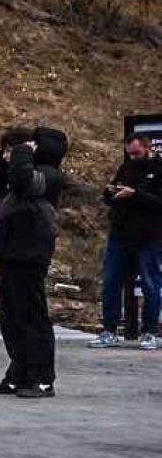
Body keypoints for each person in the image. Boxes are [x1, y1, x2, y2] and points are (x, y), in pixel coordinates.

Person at [0, 126, 68, 398]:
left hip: (31, 252)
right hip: (11, 251)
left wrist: (22, 154)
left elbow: (23, 181)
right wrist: (4, 157)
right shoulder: (19, 170)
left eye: (15, 149)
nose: (11, 155)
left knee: (32, 316)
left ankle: (42, 377)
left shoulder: (49, 175)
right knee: (11, 316)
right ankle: (18, 371)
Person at [89, 132, 161, 351]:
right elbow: (111, 193)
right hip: (120, 235)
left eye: (136, 153)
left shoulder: (159, 169)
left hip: (149, 237)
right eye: (129, 153)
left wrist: (135, 194)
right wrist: (110, 193)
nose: (132, 157)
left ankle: (149, 331)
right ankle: (109, 330)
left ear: (148, 148)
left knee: (150, 285)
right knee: (111, 282)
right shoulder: (126, 167)